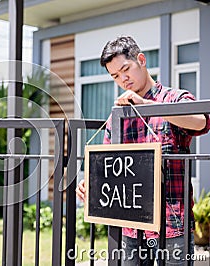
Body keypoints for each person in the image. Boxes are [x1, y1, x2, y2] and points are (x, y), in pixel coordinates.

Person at [76, 35, 210, 265]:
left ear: (141, 59)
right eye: (115, 76)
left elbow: (201, 122)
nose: (123, 79)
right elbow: (108, 162)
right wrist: (91, 183)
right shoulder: (119, 113)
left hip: (172, 223)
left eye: (126, 69)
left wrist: (147, 106)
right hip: (131, 225)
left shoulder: (173, 97)